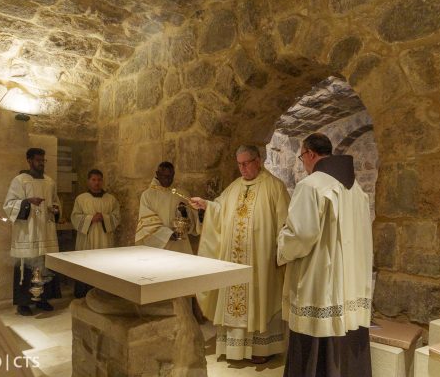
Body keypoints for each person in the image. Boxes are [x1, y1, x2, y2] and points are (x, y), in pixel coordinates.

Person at [277, 133, 373, 377]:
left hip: (321, 284)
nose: (303, 163)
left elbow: (302, 235)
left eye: (301, 158)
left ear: (309, 154)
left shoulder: (311, 186)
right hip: (349, 284)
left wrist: (282, 240)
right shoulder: (357, 189)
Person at [190, 145, 290, 364]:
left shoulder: (274, 187)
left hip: (261, 262)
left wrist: (281, 255)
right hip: (233, 261)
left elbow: (286, 224)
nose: (243, 168)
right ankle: (234, 348)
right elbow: (220, 209)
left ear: (258, 160)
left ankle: (261, 349)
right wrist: (206, 205)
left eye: (246, 163)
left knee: (261, 299)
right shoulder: (235, 187)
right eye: (239, 164)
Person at [3, 148, 62, 316]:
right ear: (29, 160)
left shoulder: (50, 182)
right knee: (27, 267)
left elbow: (56, 201)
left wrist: (56, 209)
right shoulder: (19, 181)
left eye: (43, 160)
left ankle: (43, 299)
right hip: (27, 233)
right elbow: (8, 204)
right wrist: (27, 202)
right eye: (38, 160)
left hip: (46, 231)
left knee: (45, 266)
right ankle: (24, 303)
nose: (41, 163)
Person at [71, 169, 120, 298]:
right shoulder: (81, 199)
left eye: (99, 180)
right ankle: (82, 294)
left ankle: (102, 295)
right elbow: (75, 217)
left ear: (102, 181)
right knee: (85, 265)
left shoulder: (111, 199)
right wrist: (90, 219)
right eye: (93, 180)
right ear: (88, 181)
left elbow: (117, 217)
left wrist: (104, 217)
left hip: (104, 238)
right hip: (86, 238)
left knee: (104, 265)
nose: (97, 183)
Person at [135, 161, 199, 255]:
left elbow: (191, 222)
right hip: (158, 245)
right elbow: (147, 223)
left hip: (180, 245)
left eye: (171, 176)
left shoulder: (181, 194)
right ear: (157, 174)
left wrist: (184, 212)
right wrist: (167, 235)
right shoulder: (147, 195)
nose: (168, 180)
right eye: (165, 176)